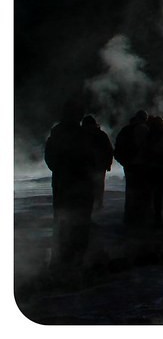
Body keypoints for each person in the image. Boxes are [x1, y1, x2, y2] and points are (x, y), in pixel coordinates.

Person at [44, 100, 95, 266]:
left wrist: (59, 171)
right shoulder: (82, 135)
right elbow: (91, 158)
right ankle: (76, 255)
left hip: (61, 183)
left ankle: (59, 254)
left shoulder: (55, 134)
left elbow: (50, 158)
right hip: (80, 183)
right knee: (79, 219)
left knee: (61, 217)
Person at [114, 110, 151, 226]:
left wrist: (124, 162)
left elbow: (117, 148)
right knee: (141, 191)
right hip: (141, 165)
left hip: (129, 164)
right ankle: (140, 217)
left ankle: (129, 216)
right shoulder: (144, 129)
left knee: (130, 190)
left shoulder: (125, 130)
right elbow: (148, 148)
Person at [81, 115, 114, 210]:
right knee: (97, 187)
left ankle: (89, 207)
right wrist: (108, 164)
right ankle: (97, 205)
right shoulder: (101, 135)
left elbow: (108, 150)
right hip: (98, 166)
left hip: (89, 167)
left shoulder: (81, 135)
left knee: (88, 188)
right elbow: (109, 150)